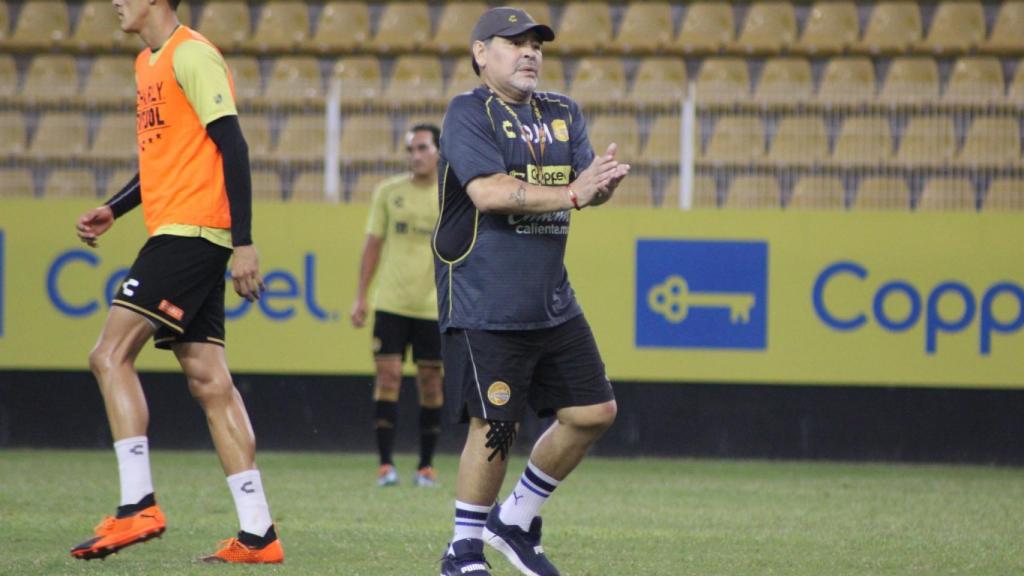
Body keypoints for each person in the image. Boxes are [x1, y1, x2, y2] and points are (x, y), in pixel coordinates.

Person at [70, 0, 282, 564]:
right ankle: (259, 534)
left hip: (191, 233)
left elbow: (232, 145)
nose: (116, 1)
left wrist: (244, 241)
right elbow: (166, 157)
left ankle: (137, 503)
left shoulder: (193, 54)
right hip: (184, 229)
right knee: (210, 381)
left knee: (109, 355)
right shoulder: (149, 63)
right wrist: (115, 208)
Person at [434, 7, 629, 576]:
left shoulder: (563, 112)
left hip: (549, 297)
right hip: (484, 297)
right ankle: (463, 549)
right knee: (495, 424)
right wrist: (574, 194)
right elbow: (491, 193)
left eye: (536, 45)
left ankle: (514, 520)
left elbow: (582, 188)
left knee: (594, 411)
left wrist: (600, 188)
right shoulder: (468, 112)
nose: (530, 53)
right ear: (480, 54)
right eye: (513, 43)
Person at [350, 124, 445, 488]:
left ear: (438, 151)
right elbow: (372, 245)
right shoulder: (388, 192)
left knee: (431, 383)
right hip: (390, 303)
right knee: (387, 379)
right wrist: (361, 296)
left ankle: (426, 467)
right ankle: (385, 465)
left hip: (433, 306)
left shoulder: (450, 195)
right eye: (410, 149)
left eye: (422, 148)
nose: (415, 155)